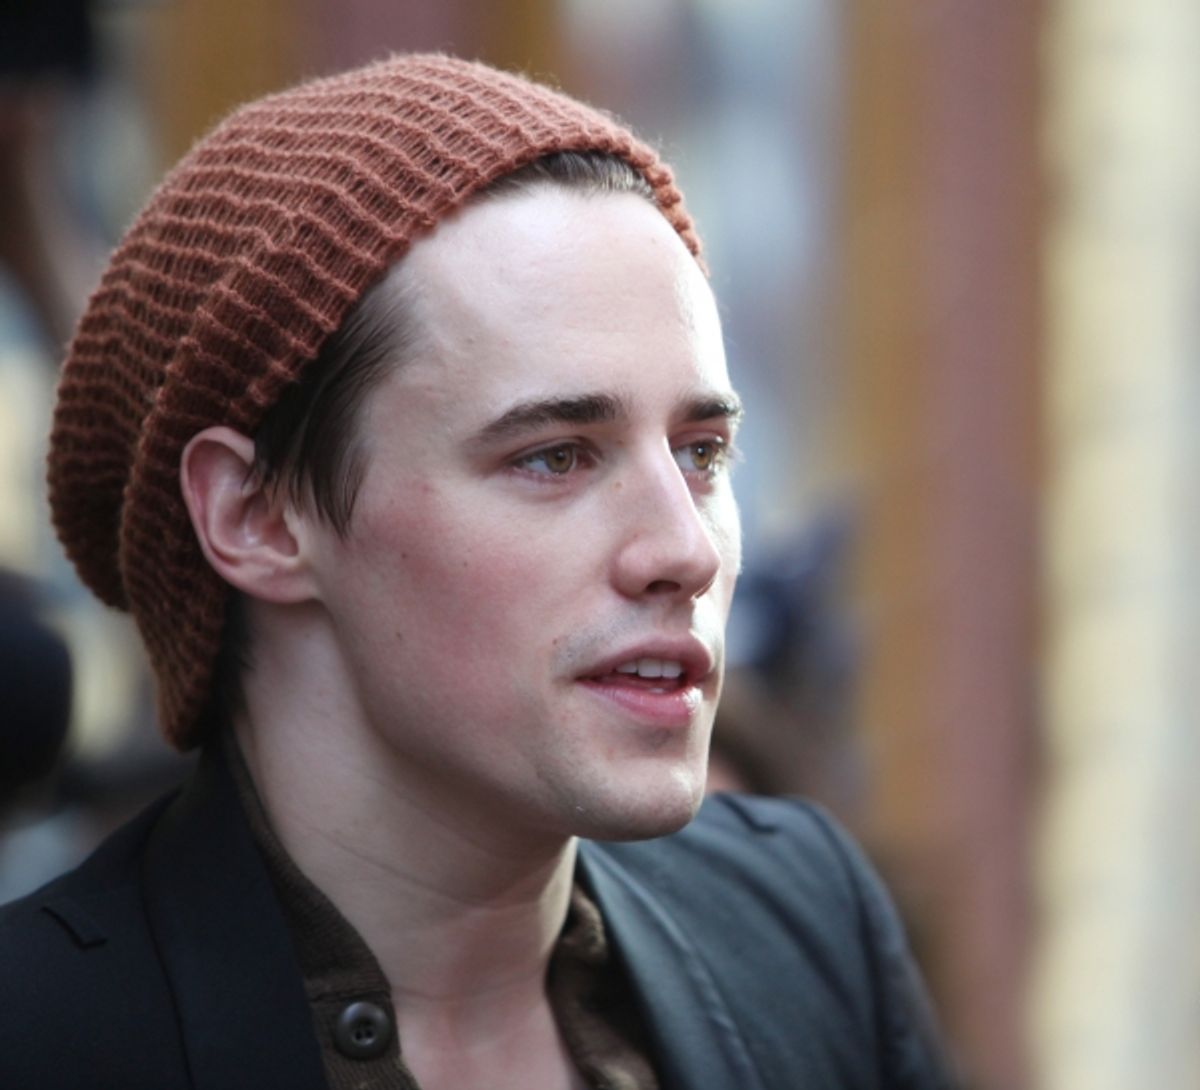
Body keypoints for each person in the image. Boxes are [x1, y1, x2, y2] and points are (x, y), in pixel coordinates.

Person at [0, 54, 953, 1089]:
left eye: (702, 453)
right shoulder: (46, 1032)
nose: (684, 548)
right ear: (257, 515)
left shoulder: (797, 927)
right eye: (555, 456)